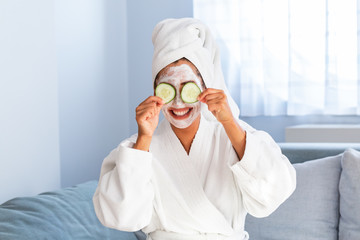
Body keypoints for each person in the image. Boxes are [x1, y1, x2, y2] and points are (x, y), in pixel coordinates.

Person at [93, 18, 296, 240]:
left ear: (205, 87)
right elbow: (123, 218)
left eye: (187, 88)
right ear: (155, 91)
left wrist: (229, 122)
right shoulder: (137, 148)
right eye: (167, 89)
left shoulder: (235, 137)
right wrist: (144, 137)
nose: (179, 102)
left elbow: (273, 194)